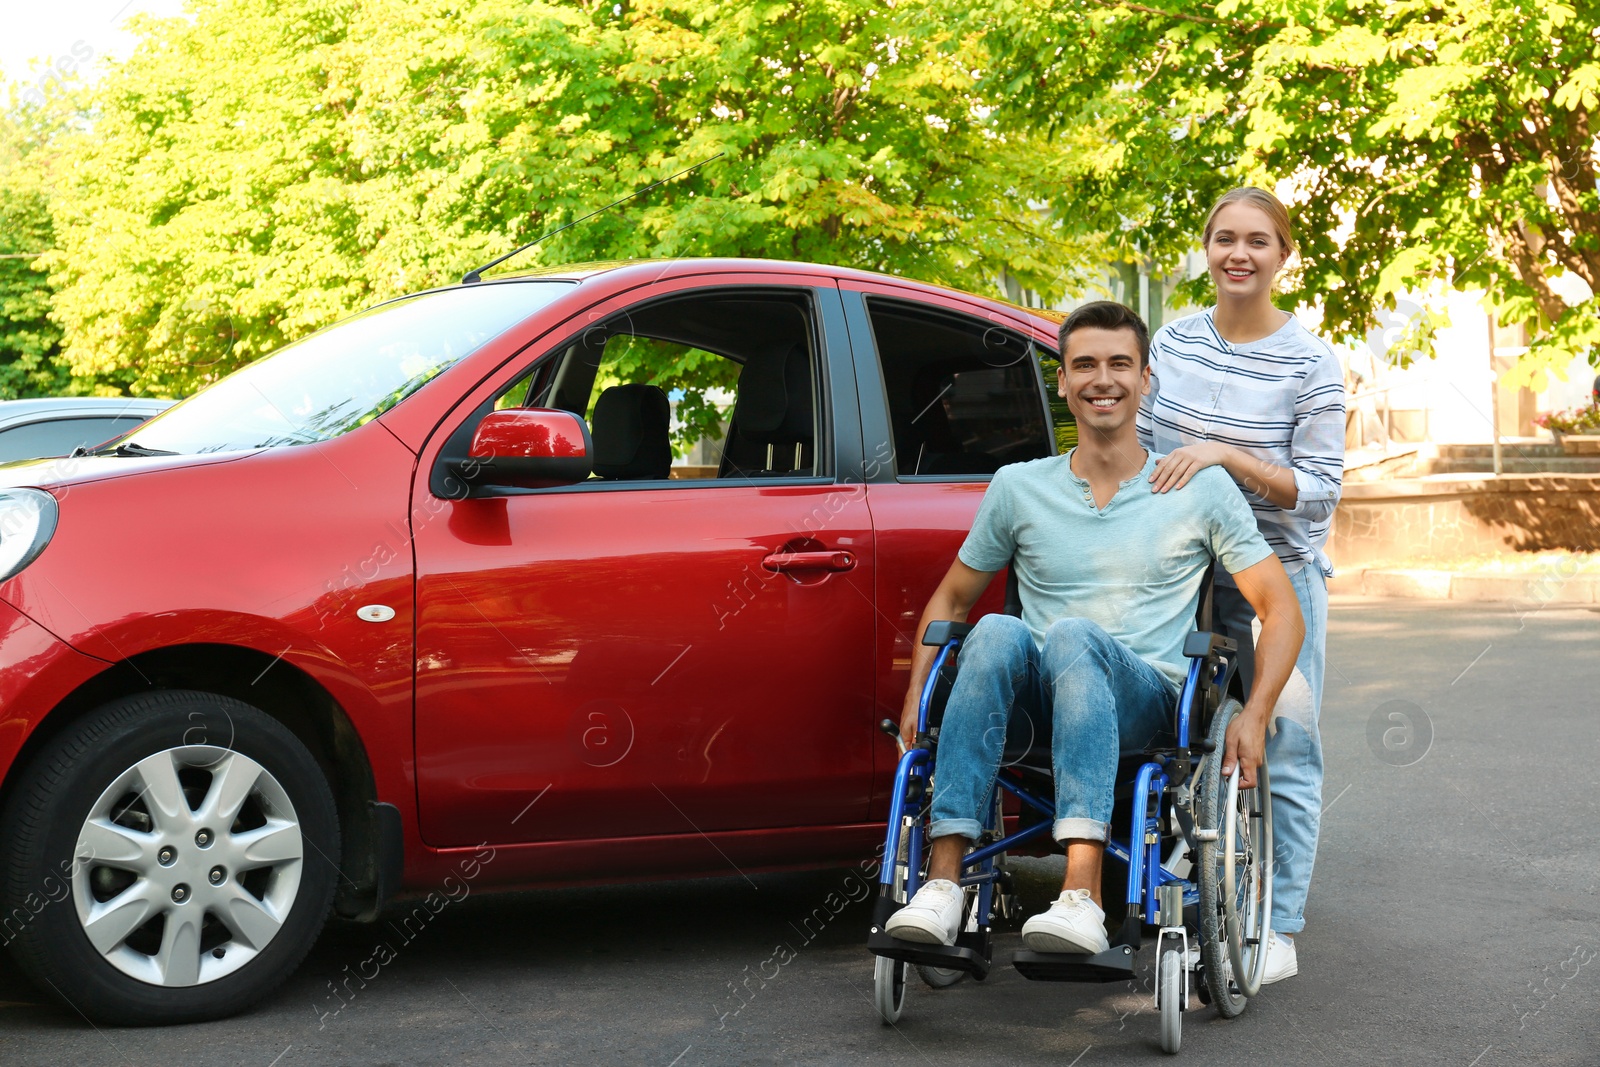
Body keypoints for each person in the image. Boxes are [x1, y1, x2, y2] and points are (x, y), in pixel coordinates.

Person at [886, 300, 1304, 956]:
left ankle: (1081, 896)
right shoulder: (1018, 487)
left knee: (1074, 634)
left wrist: (1255, 712)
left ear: (1145, 380)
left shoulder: (1197, 488)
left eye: (1119, 364)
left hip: (1145, 699)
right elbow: (952, 599)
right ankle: (943, 887)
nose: (1101, 378)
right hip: (1039, 703)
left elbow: (1282, 610)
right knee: (995, 628)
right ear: (1063, 382)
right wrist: (916, 691)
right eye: (1084, 364)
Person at [1137, 187, 1345, 983]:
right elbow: (1149, 451)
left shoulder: (1310, 361)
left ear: (1283, 255)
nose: (1239, 254)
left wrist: (1228, 454)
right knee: (1185, 734)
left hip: (1275, 573)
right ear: (1207, 247)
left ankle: (1280, 924)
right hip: (1187, 569)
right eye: (1225, 238)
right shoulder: (1175, 342)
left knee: (1281, 739)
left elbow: (1321, 490)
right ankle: (1191, 892)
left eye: (1258, 241)